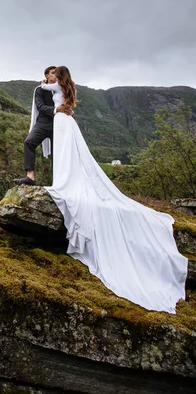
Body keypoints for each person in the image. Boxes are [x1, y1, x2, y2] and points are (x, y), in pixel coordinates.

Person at [40, 65, 188, 314]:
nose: (49, 77)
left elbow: (44, 88)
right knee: (68, 155)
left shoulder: (55, 86)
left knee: (66, 155)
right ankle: (64, 179)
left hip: (62, 122)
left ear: (60, 77)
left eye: (53, 74)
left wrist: (43, 82)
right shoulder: (68, 88)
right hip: (66, 121)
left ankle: (63, 181)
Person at [14, 66, 72, 186]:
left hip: (58, 125)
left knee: (57, 153)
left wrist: (68, 111)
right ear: (46, 75)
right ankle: (30, 176)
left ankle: (59, 182)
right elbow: (40, 107)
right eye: (52, 73)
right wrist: (56, 109)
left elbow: (67, 104)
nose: (55, 74)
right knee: (29, 142)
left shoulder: (61, 87)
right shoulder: (40, 90)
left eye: (57, 72)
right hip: (42, 123)